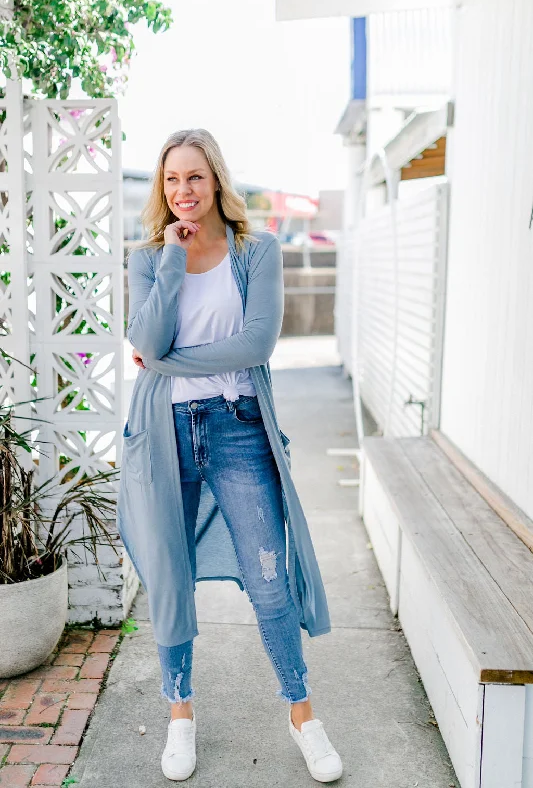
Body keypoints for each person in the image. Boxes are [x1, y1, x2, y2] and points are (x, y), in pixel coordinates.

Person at [119, 128, 342, 783]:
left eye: (193, 177)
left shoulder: (256, 249)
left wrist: (162, 361)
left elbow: (253, 346)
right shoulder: (146, 255)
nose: (181, 191)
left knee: (269, 582)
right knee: (169, 579)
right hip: (165, 433)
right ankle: (180, 714)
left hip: (239, 427)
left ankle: (302, 715)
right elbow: (146, 329)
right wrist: (167, 260)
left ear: (215, 179)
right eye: (170, 181)